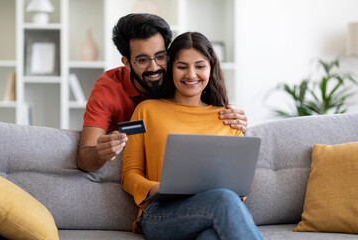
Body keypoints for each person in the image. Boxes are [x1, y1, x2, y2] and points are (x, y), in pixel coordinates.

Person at [121, 32, 264, 240]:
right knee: (223, 200)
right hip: (161, 213)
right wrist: (155, 188)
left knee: (211, 236)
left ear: (211, 69)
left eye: (199, 66)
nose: (191, 74)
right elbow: (128, 174)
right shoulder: (145, 110)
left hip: (213, 211)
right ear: (170, 69)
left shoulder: (227, 117)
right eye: (182, 66)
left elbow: (241, 187)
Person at [76, 13, 248, 172]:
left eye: (160, 56)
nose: (154, 67)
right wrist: (100, 152)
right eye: (142, 60)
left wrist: (236, 123)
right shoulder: (109, 90)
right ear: (127, 63)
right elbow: (84, 158)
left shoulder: (180, 77)